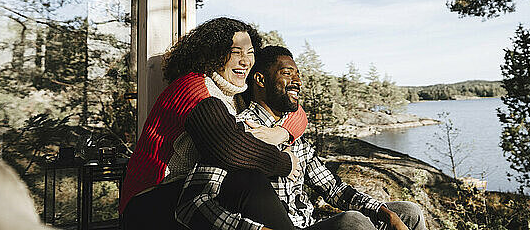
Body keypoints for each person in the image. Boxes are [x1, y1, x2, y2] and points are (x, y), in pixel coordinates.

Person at [177, 46, 427, 230]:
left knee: (409, 212)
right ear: (260, 80)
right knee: (353, 222)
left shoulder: (291, 133)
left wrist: (382, 212)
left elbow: (335, 189)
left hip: (310, 223)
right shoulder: (236, 134)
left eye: (298, 74)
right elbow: (192, 204)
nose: (297, 81)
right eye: (287, 73)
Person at [120, 18, 308, 230]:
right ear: (213, 53)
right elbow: (231, 149)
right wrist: (285, 163)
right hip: (149, 202)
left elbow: (294, 109)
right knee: (248, 180)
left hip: (197, 189)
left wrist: (282, 133)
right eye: (236, 52)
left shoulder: (236, 92)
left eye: (250, 53)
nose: (246, 61)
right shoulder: (193, 89)